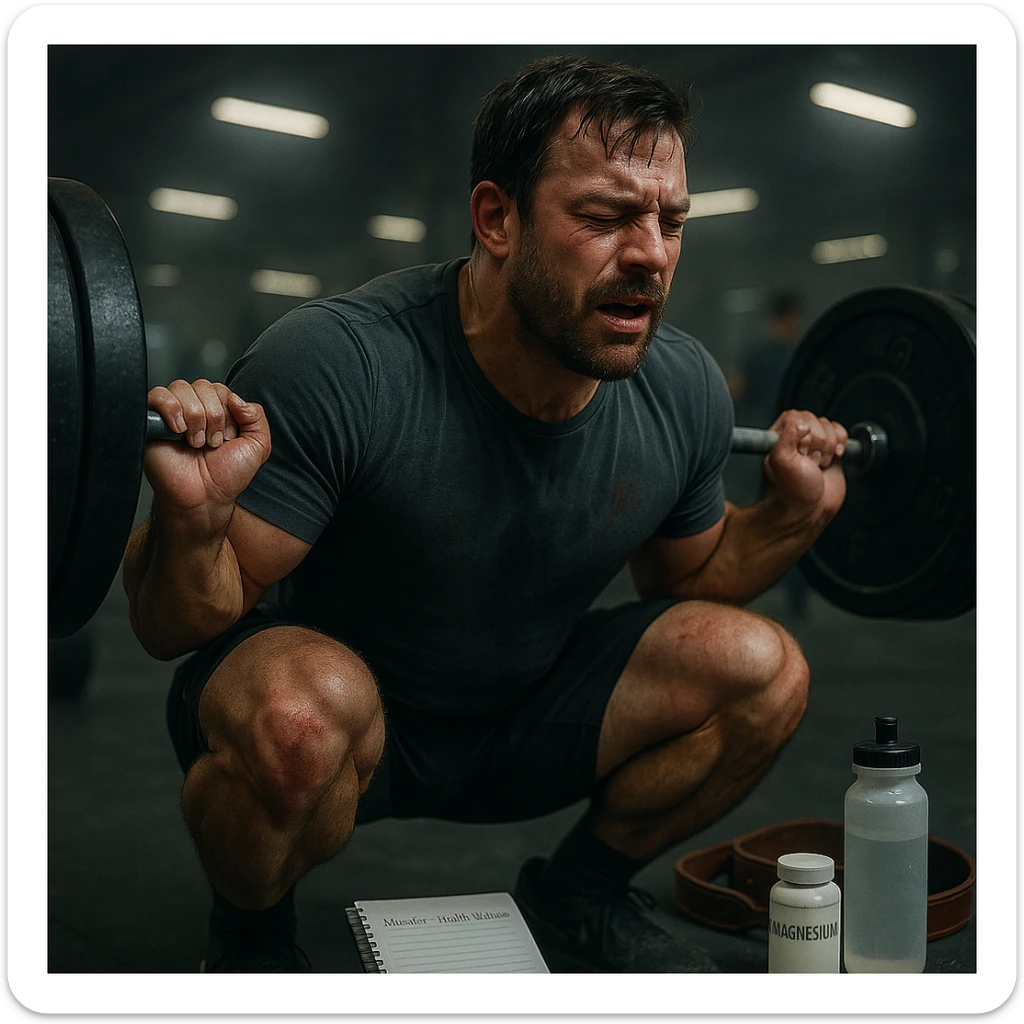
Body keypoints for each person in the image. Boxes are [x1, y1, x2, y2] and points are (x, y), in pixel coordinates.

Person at [123, 55, 848, 974]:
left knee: (765, 668)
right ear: (497, 219)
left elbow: (689, 580)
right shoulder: (343, 363)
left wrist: (795, 513)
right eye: (605, 215)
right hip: (345, 731)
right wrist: (190, 522)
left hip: (525, 714)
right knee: (300, 714)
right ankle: (253, 943)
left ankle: (578, 894)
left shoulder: (682, 387)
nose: (652, 254)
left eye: (670, 221)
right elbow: (170, 627)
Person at [727, 292, 812, 617]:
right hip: (788, 446)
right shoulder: (797, 355)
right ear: (790, 315)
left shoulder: (756, 352)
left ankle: (744, 586)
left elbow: (735, 389)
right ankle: (790, 592)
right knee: (790, 513)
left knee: (754, 513)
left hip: (757, 442)